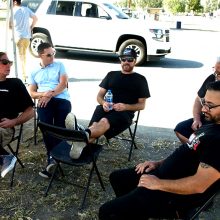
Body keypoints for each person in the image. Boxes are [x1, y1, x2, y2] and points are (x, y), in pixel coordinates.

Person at [99, 80, 220, 220]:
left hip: (173, 195)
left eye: (210, 106)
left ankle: (169, 213)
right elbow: (187, 153)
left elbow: (199, 185)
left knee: (107, 212)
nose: (204, 109)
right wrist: (158, 163)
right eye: (204, 102)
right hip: (164, 175)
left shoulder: (218, 140)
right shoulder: (211, 123)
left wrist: (158, 184)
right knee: (118, 178)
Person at [66, 48, 150, 159]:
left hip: (124, 114)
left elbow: (142, 105)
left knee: (103, 121)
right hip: (105, 108)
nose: (126, 62)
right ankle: (80, 143)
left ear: (135, 61)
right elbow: (99, 96)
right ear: (120, 60)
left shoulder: (140, 79)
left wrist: (126, 106)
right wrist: (104, 102)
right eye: (123, 59)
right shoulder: (111, 75)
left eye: (130, 59)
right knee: (95, 125)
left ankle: (79, 135)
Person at [28, 42, 71, 178]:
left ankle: (53, 160)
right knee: (46, 127)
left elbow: (63, 84)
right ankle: (53, 159)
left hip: (61, 98)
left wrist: (49, 94)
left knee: (59, 127)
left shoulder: (59, 65)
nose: (52, 57)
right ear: (40, 56)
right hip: (44, 99)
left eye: (54, 53)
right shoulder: (34, 71)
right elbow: (32, 93)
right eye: (49, 55)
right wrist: (44, 95)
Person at [0, 52, 34, 178]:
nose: (8, 65)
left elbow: (31, 111)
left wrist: (14, 122)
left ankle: (5, 157)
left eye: (9, 62)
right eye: (4, 62)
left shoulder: (15, 84)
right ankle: (4, 157)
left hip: (4, 128)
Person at [174, 57, 220, 143]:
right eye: (215, 71)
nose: (216, 77)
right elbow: (198, 100)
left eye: (219, 74)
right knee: (181, 128)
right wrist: (197, 119)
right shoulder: (212, 78)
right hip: (209, 119)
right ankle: (195, 152)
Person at [10, 0, 38, 82]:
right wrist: (31, 27)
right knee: (24, 56)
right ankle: (24, 74)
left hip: (18, 36)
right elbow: (35, 18)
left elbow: (10, 24)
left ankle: (23, 76)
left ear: (15, 2)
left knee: (20, 57)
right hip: (27, 37)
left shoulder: (13, 10)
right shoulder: (26, 9)